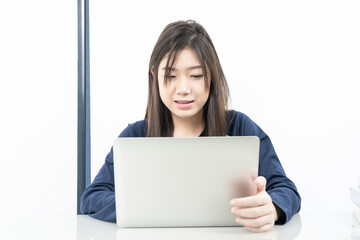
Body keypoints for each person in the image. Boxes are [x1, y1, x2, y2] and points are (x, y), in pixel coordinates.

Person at [80, 20, 301, 233]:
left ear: (211, 76)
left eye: (196, 75)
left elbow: (286, 191)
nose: (183, 88)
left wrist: (271, 209)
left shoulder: (239, 127)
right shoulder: (135, 136)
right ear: (154, 75)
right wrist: (143, 207)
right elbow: (93, 197)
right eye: (170, 75)